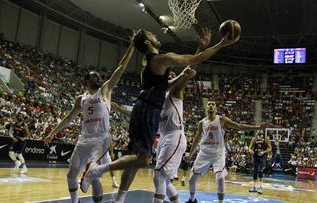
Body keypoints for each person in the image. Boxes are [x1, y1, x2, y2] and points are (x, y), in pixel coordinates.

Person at [81, 28, 238, 203]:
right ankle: (97, 170)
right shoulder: (160, 59)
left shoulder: (148, 68)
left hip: (144, 110)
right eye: (151, 35)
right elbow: (195, 60)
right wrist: (221, 43)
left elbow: (163, 85)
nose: (155, 35)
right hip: (148, 112)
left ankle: (118, 200)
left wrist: (182, 73)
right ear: (148, 42)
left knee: (135, 158)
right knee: (143, 160)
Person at [44, 35, 135, 203]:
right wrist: (52, 133)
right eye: (94, 76)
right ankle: (75, 201)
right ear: (87, 80)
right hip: (83, 139)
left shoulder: (106, 90)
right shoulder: (81, 98)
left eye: (99, 76)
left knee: (93, 178)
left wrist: (131, 46)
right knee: (71, 175)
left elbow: (121, 67)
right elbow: (68, 118)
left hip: (100, 140)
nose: (98, 78)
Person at [153, 28, 212, 203]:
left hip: (174, 136)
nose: (171, 77)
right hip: (164, 137)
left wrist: (200, 49)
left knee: (159, 176)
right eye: (168, 75)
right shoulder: (159, 95)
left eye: (173, 75)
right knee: (162, 178)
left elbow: (189, 68)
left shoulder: (175, 91)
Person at [184, 101, 267, 203]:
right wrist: (190, 154)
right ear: (206, 108)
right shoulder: (201, 123)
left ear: (216, 109)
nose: (210, 105)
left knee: (220, 178)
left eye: (213, 104)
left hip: (218, 153)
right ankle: (192, 199)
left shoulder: (222, 119)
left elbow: (239, 126)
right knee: (191, 179)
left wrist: (258, 127)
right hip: (204, 153)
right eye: (209, 104)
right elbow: (196, 140)